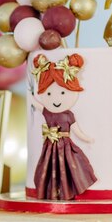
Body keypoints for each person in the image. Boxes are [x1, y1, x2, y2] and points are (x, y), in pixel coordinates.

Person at [29, 53, 97, 200]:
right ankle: (50, 190)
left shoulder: (68, 115)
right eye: (48, 93)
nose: (56, 99)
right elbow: (36, 104)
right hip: (49, 146)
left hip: (64, 146)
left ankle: (67, 190)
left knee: (68, 166)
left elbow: (76, 130)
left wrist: (87, 138)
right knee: (48, 167)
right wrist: (30, 92)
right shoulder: (47, 112)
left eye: (62, 92)